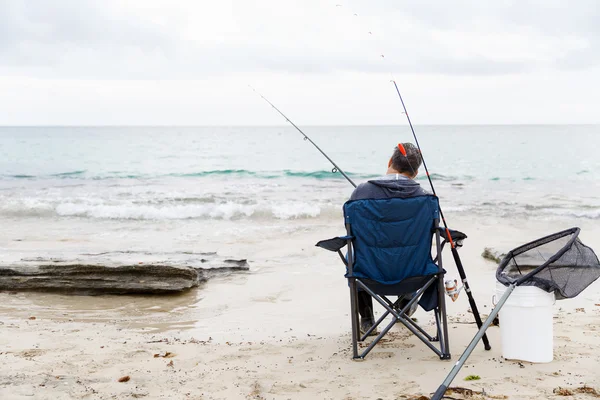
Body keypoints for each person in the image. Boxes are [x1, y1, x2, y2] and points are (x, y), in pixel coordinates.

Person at [349, 142, 427, 336]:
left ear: (390, 161)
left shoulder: (361, 193)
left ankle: (367, 319)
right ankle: (404, 306)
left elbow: (353, 233)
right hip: (413, 276)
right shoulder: (425, 198)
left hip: (369, 274)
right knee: (412, 252)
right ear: (416, 173)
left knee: (356, 254)